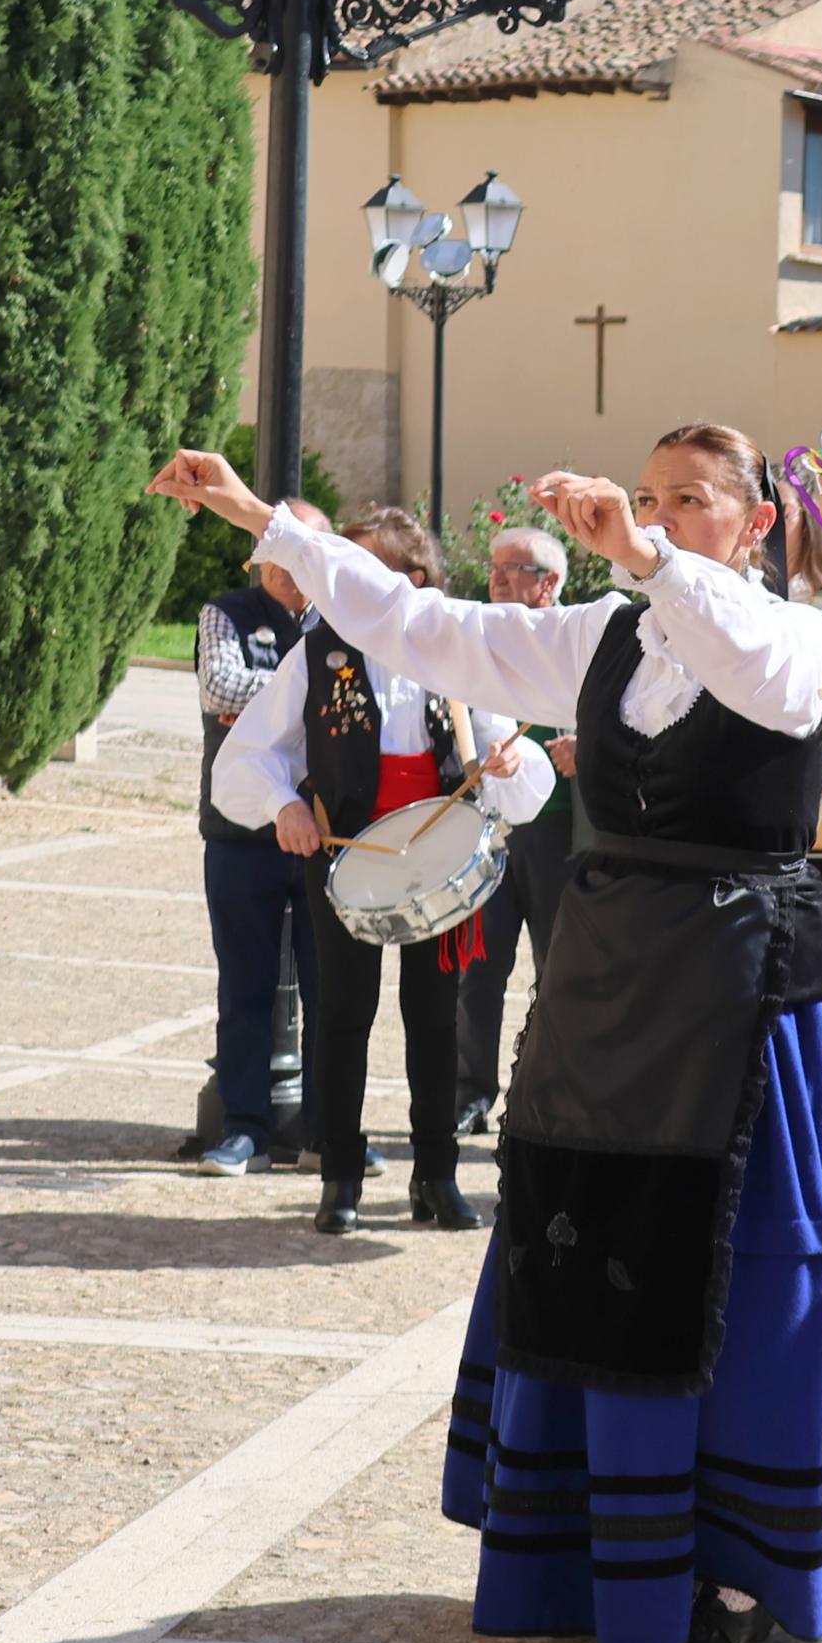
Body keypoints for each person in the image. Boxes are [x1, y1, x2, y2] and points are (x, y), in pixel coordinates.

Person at [156, 424, 822, 1643]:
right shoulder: (606, 637)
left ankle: (729, 1571)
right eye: (648, 494)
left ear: (754, 521)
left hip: (746, 991)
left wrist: (645, 552)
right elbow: (422, 625)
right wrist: (260, 519)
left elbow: (751, 661)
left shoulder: (795, 636)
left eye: (692, 500)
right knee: (580, 1245)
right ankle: (590, 1542)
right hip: (610, 986)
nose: (655, 514)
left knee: (740, 1275)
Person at [210, 506, 549, 1237]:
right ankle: (340, 1175)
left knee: (433, 1019)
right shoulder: (317, 650)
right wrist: (282, 808)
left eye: (358, 568)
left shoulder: (453, 649)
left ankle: (436, 1173)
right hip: (348, 856)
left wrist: (506, 762)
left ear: (410, 580)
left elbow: (509, 754)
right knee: (341, 1017)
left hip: (436, 859)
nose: (339, 583)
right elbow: (245, 758)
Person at [189, 542, 316, 1174]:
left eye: (296, 552)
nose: (280, 566)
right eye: (271, 553)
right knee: (244, 989)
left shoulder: (342, 615)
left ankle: (327, 1131)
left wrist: (264, 704)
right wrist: (310, 689)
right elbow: (220, 685)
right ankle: (244, 1129)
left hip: (326, 835)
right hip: (241, 835)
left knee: (333, 995)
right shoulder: (227, 613)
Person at [454, 521, 580, 1139]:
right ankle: (469, 1092)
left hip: (563, 837)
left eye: (513, 570)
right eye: (494, 568)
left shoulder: (581, 641)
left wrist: (589, 745)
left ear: (549, 583)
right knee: (479, 970)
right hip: (490, 831)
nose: (497, 579)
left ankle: (550, 1095)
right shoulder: (477, 636)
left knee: (559, 972)